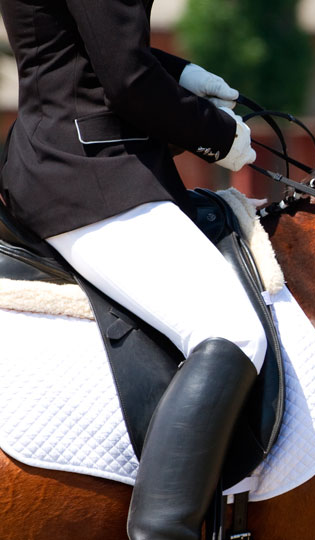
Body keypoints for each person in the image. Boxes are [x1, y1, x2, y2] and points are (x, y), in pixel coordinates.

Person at [0, 0, 268, 538]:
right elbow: (125, 80)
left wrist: (183, 73)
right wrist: (214, 133)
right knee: (232, 332)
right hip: (92, 177)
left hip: (59, 160)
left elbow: (76, 48)